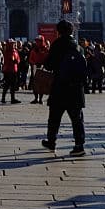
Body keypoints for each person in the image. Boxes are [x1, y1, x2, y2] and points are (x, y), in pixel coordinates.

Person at [41, 20, 87, 156]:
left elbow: (48, 65)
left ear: (59, 31)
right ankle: (79, 145)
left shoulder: (57, 45)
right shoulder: (78, 47)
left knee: (54, 117)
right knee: (77, 119)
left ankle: (51, 141)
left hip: (60, 87)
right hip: (76, 89)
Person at [28, 36, 50, 104]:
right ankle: (36, 98)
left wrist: (44, 63)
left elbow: (48, 58)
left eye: (39, 41)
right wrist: (34, 63)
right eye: (37, 41)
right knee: (35, 83)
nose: (37, 42)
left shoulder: (46, 49)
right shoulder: (34, 49)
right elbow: (30, 59)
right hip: (35, 67)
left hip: (43, 68)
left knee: (42, 84)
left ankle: (40, 99)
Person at [0, 39, 21, 104]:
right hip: (8, 70)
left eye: (13, 43)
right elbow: (7, 60)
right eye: (12, 44)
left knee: (13, 85)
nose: (13, 45)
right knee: (7, 84)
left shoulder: (15, 51)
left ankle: (12, 98)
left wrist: (16, 61)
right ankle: (3, 98)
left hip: (14, 69)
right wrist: (13, 61)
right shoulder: (7, 51)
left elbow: (18, 59)